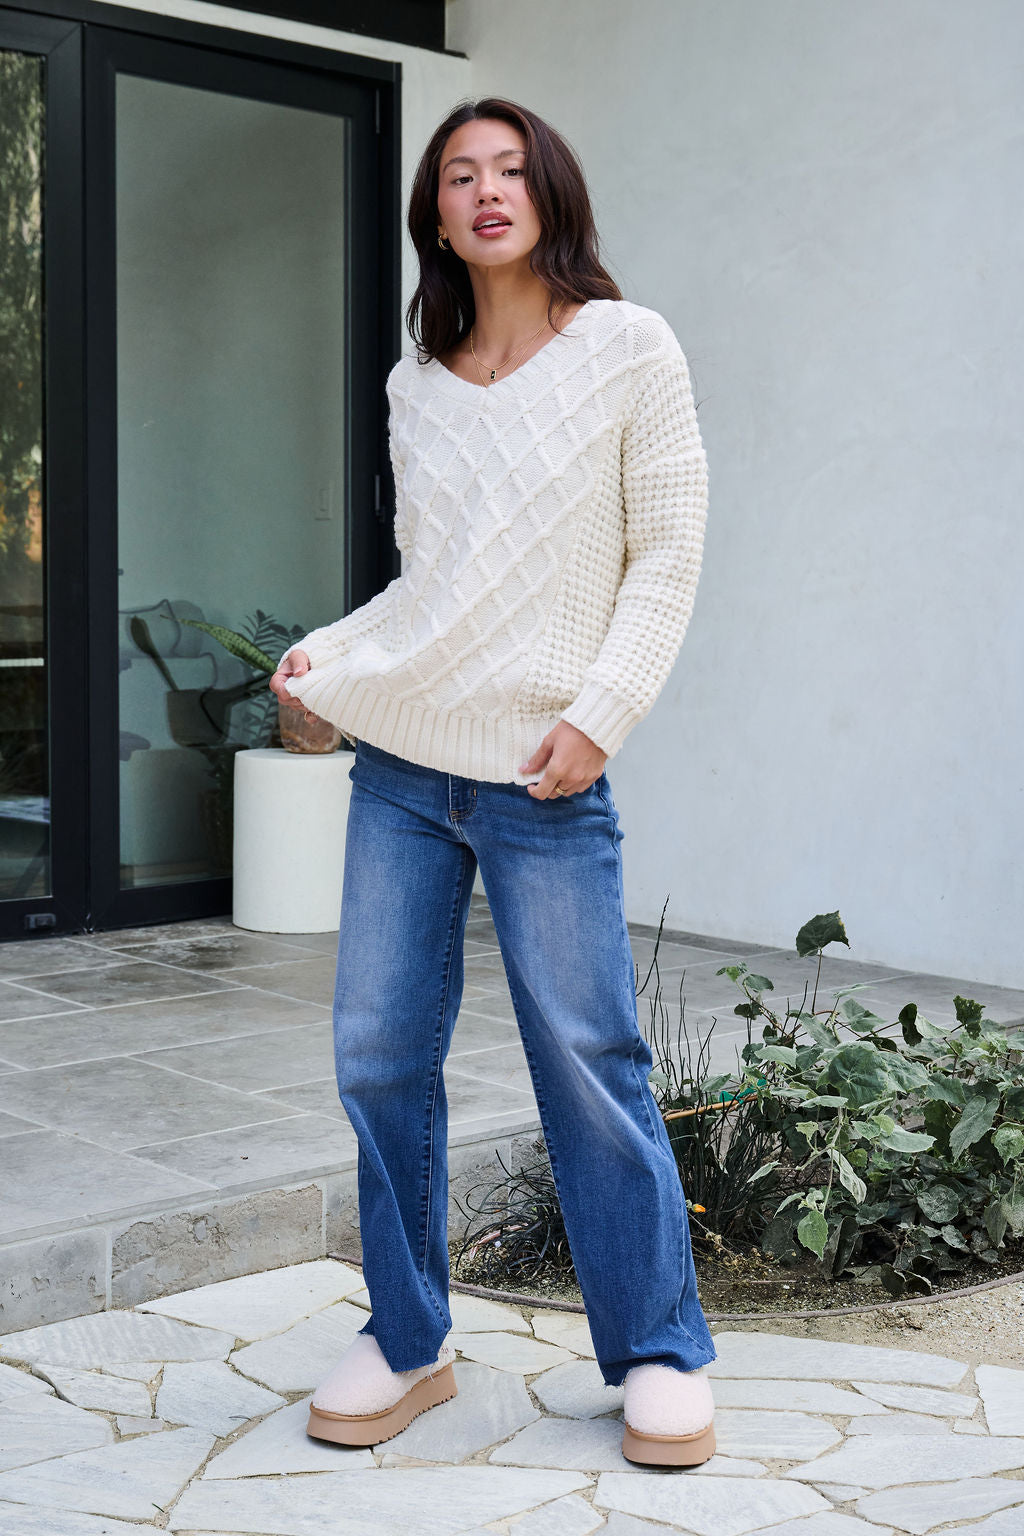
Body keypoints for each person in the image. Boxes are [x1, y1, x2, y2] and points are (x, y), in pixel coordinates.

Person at [268, 96, 717, 1468]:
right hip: (407, 772)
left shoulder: (631, 349)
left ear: (550, 193)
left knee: (588, 1059)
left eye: (510, 169)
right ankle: (408, 1339)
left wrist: (604, 713)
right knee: (376, 1054)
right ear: (436, 213)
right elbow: (436, 594)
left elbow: (669, 550)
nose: (485, 191)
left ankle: (658, 1350)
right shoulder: (418, 381)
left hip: (543, 778)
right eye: (459, 174)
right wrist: (327, 666)